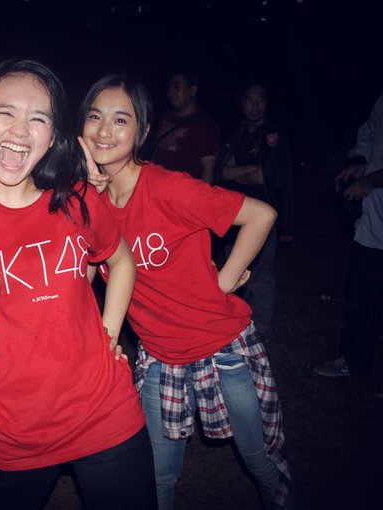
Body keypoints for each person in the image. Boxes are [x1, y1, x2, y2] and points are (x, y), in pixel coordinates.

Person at [0, 60, 156, 510]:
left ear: (52, 138)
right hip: (14, 435)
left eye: (38, 119)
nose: (20, 130)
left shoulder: (77, 200)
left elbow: (122, 260)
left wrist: (107, 333)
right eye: (6, 112)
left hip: (105, 413)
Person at [79, 74, 294, 509]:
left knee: (261, 462)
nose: (104, 131)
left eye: (120, 120)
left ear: (142, 132)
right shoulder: (89, 203)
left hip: (223, 349)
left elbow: (261, 214)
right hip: (160, 357)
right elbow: (80, 278)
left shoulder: (167, 187)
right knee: (158, 479)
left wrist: (226, 279)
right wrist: (82, 198)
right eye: (95, 117)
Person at [214, 82, 295, 342]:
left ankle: (261, 330)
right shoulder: (237, 134)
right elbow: (222, 172)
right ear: (241, 103)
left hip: (263, 218)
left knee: (261, 274)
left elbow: (265, 177)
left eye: (261, 100)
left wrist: (239, 173)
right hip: (235, 217)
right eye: (249, 100)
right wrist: (245, 171)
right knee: (232, 270)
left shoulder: (273, 136)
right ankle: (235, 326)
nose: (255, 106)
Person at [314, 92, 383, 388]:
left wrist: (371, 180)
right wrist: (359, 163)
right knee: (363, 293)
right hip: (373, 219)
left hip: (375, 200)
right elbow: (369, 135)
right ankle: (353, 360)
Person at [150, 70, 221, 183]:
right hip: (156, 183)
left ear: (192, 90)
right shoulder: (166, 116)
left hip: (183, 189)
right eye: (169, 89)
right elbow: (158, 150)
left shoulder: (205, 125)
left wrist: (203, 194)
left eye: (176, 88)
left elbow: (208, 170)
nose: (170, 93)